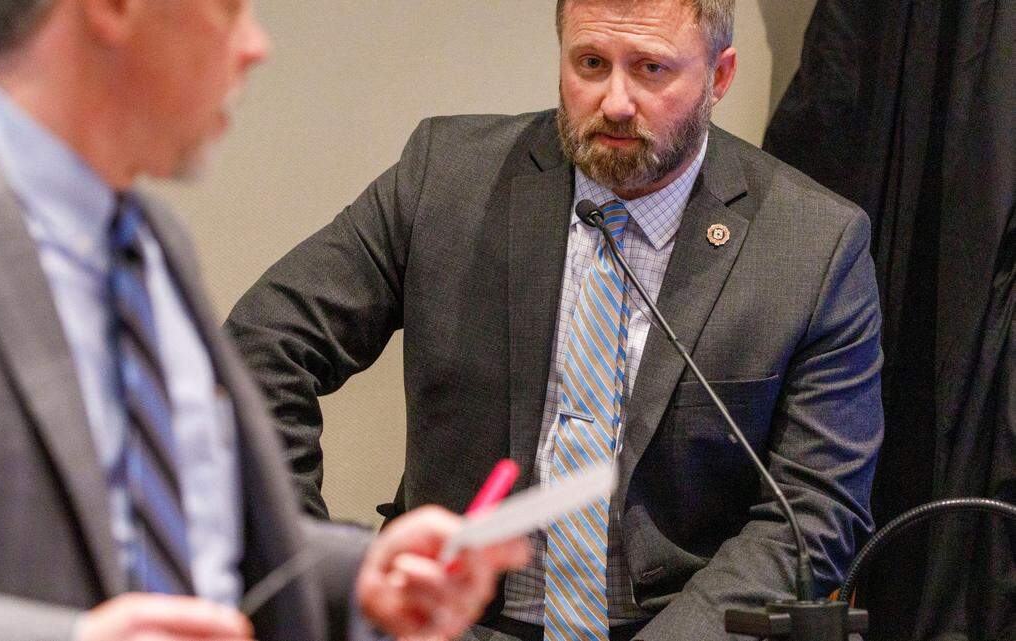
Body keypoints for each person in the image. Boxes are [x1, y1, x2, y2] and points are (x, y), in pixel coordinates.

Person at [224, 0, 884, 639]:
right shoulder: (447, 176)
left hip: (678, 623)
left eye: (651, 69)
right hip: (456, 620)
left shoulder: (812, 244)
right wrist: (310, 564)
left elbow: (815, 508)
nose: (617, 101)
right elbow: (261, 348)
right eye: (591, 63)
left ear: (720, 76)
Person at [0, 2, 529, 641]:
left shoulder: (153, 240)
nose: (255, 45)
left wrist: (363, 574)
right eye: (227, 9)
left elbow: (197, 539)